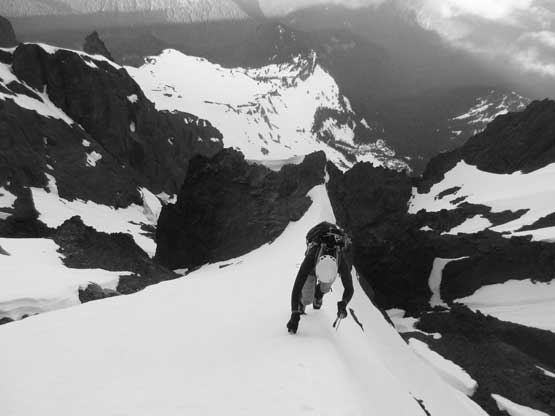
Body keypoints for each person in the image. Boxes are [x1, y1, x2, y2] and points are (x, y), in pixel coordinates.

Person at [287, 221, 354, 334]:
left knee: (325, 287)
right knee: (307, 299)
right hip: (311, 270)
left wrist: (344, 302)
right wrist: (294, 313)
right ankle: (302, 303)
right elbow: (298, 284)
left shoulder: (340, 260)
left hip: (328, 271)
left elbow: (349, 287)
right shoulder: (312, 256)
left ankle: (318, 294)